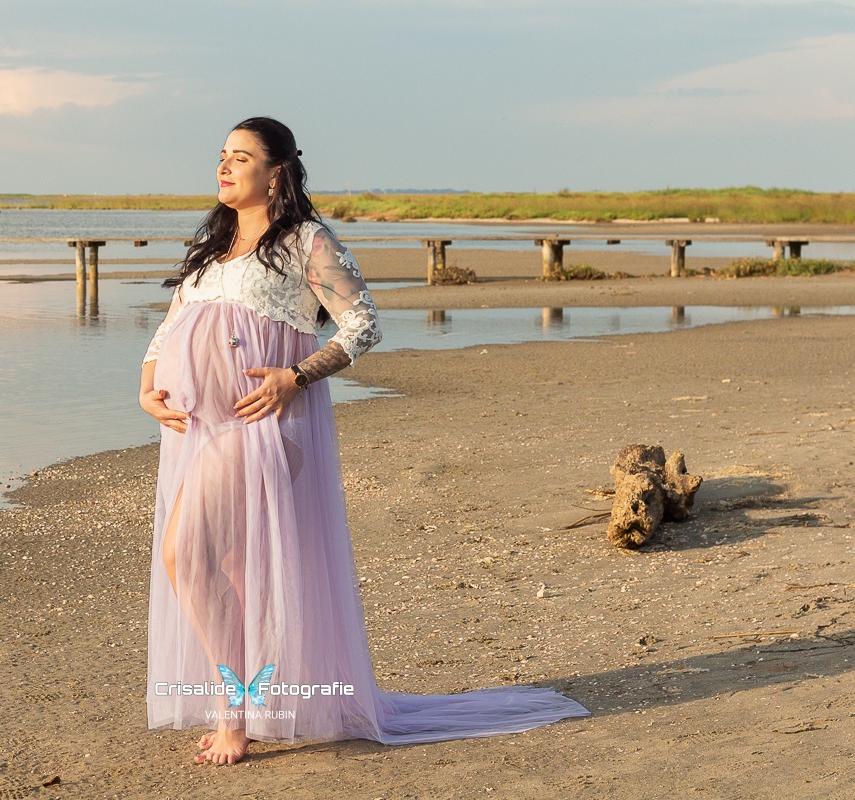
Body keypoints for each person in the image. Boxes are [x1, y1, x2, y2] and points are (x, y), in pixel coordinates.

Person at [139, 117, 589, 766]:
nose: (225, 166)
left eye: (241, 157)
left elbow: (363, 325)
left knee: (187, 556)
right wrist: (148, 387)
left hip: (266, 431)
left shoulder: (304, 242)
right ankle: (250, 703)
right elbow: (170, 329)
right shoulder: (212, 249)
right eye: (222, 155)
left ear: (278, 173)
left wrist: (296, 376)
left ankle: (232, 715)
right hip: (205, 431)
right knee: (227, 570)